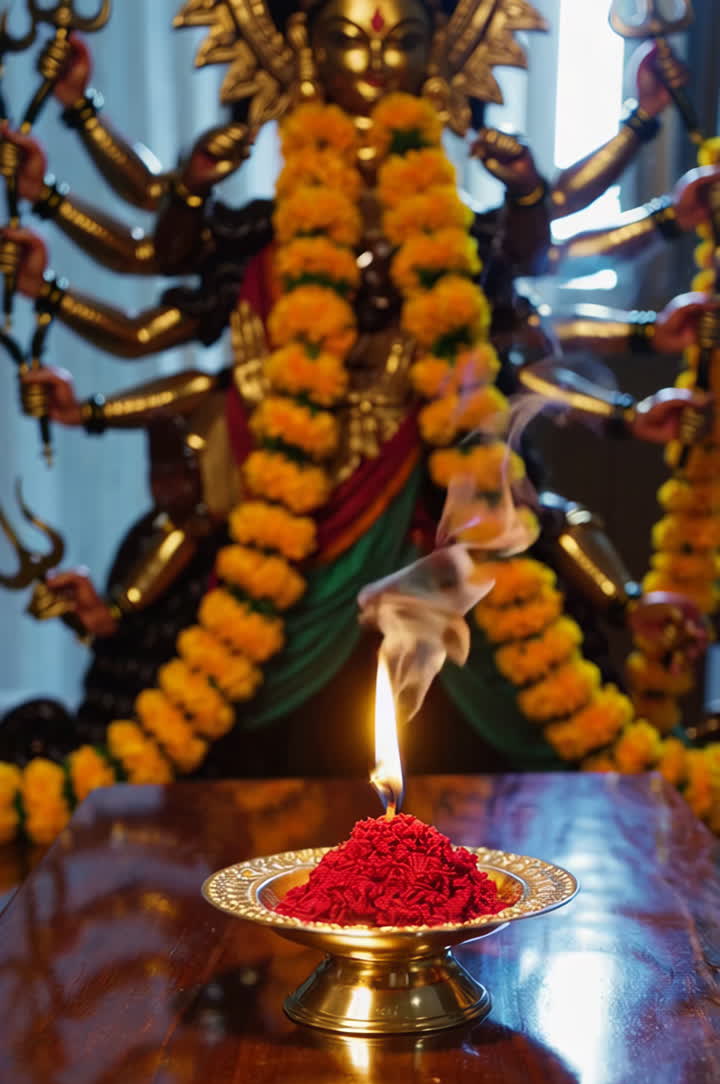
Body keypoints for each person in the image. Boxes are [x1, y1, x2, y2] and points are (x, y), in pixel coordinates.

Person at [0, 0, 718, 845]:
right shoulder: (256, 246)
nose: (376, 63)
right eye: (349, 38)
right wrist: (60, 243)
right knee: (215, 787)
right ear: (302, 52)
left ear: (440, 56)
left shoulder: (472, 251)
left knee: (517, 733)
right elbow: (152, 300)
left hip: (446, 535)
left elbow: (555, 291)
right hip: (280, 547)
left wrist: (644, 362)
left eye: (403, 40)